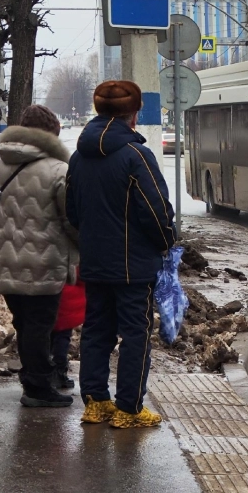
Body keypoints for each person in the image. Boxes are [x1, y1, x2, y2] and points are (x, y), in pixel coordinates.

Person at [67, 80, 176, 429]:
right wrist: (165, 242)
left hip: (95, 262)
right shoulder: (136, 156)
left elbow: (72, 211)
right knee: (136, 333)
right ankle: (129, 408)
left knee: (96, 330)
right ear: (134, 112)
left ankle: (96, 402)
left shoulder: (78, 156)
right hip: (133, 266)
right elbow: (156, 211)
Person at [0, 105, 77, 408]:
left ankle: (32, 378)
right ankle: (38, 387)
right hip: (45, 261)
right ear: (49, 135)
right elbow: (71, 218)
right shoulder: (59, 169)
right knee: (41, 324)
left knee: (24, 322)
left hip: (1, 259)